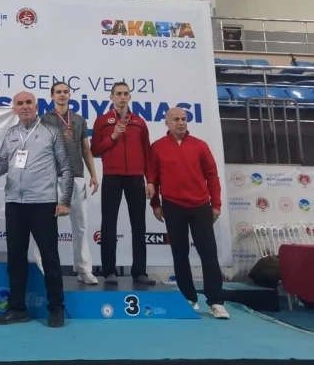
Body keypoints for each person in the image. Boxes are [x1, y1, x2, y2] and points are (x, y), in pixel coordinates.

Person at [0, 91, 72, 328]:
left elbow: (66, 168)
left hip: (43, 204)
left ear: (36, 106)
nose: (24, 107)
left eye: (28, 103)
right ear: (14, 109)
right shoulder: (11, 133)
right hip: (14, 204)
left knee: (50, 258)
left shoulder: (51, 132)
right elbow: (3, 162)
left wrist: (64, 200)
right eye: (20, 103)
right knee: (15, 259)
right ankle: (17, 309)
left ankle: (56, 309)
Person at [147, 108, 229, 319]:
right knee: (180, 253)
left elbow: (212, 176)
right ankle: (189, 298)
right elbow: (152, 178)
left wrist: (216, 204)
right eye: (176, 119)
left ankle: (216, 301)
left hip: (200, 206)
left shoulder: (200, 145)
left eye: (183, 119)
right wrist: (155, 204)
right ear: (167, 123)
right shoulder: (157, 147)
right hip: (172, 206)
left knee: (208, 253)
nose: (181, 123)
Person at [91, 82, 155, 285]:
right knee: (109, 224)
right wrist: (113, 136)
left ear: (129, 97)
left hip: (136, 178)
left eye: (126, 93)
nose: (122, 97)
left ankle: (140, 272)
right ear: (111, 97)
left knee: (139, 225)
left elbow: (147, 153)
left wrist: (150, 180)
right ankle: (109, 271)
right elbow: (94, 150)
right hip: (112, 177)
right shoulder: (102, 121)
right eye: (118, 93)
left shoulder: (139, 122)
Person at [38, 82, 99, 285]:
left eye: (65, 92)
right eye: (58, 92)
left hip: (76, 175)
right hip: (52, 177)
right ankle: (41, 268)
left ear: (70, 95)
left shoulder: (79, 120)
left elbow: (86, 149)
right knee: (45, 226)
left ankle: (84, 269)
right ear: (52, 96)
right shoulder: (45, 119)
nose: (62, 95)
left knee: (80, 226)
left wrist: (93, 174)